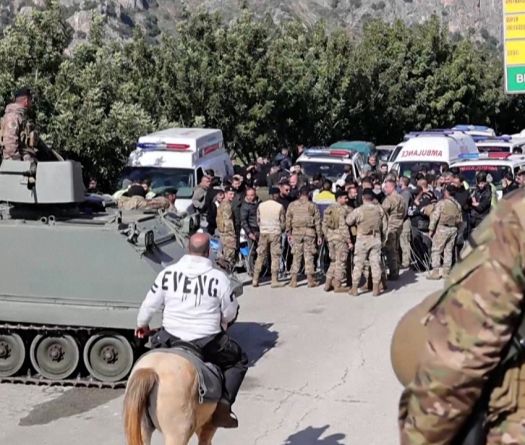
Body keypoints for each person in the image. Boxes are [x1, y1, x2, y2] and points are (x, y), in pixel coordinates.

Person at [398, 188, 525, 445]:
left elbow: (460, 353)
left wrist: (421, 437)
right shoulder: (457, 205)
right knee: (444, 255)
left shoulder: (518, 217)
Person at [135, 233, 247, 429]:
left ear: (188, 249)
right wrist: (223, 321)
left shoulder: (167, 273)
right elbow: (229, 313)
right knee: (239, 360)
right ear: (208, 252)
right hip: (207, 341)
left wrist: (142, 325)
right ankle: (223, 406)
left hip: (169, 337)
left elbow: (149, 306)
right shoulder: (218, 278)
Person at [346, 189, 387, 297]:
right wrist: (382, 238)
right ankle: (375, 288)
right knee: (375, 263)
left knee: (358, 264)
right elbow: (385, 225)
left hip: (362, 239)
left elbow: (348, 221)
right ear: (372, 198)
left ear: (363, 198)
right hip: (375, 238)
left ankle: (354, 289)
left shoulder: (359, 210)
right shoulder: (379, 210)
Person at [286, 186, 322, 288]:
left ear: (299, 194)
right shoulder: (312, 206)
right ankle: (310, 280)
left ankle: (293, 280)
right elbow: (317, 222)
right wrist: (319, 235)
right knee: (309, 256)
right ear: (308, 194)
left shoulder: (292, 205)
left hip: (296, 233)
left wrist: (289, 233)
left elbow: (288, 220)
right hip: (309, 233)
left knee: (296, 256)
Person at [427, 184, 463, 280]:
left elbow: (435, 217)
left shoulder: (441, 203)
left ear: (447, 192)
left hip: (442, 228)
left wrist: (431, 229)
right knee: (448, 251)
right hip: (453, 229)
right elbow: (460, 219)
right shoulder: (457, 205)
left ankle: (435, 272)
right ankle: (446, 271)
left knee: (436, 250)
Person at [252, 186, 286, 288]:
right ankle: (274, 280)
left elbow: (258, 220)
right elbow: (283, 222)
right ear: (275, 195)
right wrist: (281, 229)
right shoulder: (279, 206)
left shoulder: (261, 205)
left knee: (260, 255)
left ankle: (255, 279)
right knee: (275, 256)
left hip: (263, 233)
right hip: (275, 233)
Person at [0, 87, 42, 161]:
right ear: (26, 101)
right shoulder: (13, 116)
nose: (31, 102)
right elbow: (10, 143)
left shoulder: (22, 117)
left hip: (26, 158)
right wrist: (18, 163)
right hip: (17, 161)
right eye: (30, 99)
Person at [322, 190, 351, 293]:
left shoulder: (328, 209)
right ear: (339, 198)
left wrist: (327, 236)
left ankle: (327, 284)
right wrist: (349, 241)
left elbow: (324, 225)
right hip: (340, 239)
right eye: (345, 198)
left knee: (333, 262)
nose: (347, 200)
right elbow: (343, 227)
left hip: (330, 239)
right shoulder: (342, 210)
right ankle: (338, 285)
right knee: (341, 262)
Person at [382, 179, 407, 280]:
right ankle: (396, 269)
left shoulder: (389, 199)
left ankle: (393, 273)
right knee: (396, 248)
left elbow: (382, 212)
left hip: (391, 226)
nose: (385, 189)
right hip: (399, 225)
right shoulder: (401, 198)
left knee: (390, 250)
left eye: (387, 187)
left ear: (392, 187)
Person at [216, 187, 237, 270]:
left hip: (222, 231)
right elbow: (228, 221)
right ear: (225, 194)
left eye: (233, 194)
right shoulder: (227, 205)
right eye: (230, 194)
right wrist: (232, 234)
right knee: (230, 252)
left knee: (225, 252)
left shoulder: (222, 203)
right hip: (227, 232)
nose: (232, 196)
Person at [240, 187, 259, 268]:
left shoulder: (259, 202)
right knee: (252, 250)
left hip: (260, 229)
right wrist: (249, 233)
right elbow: (243, 221)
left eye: (252, 195)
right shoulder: (245, 206)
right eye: (249, 195)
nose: (250, 197)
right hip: (252, 229)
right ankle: (251, 268)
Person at [399, 176, 413, 269]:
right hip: (402, 220)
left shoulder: (406, 193)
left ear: (402, 182)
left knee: (405, 242)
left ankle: (406, 262)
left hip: (404, 221)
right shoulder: (403, 192)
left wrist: (400, 219)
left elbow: (404, 208)